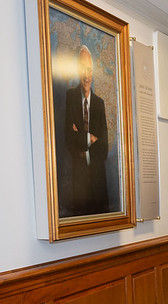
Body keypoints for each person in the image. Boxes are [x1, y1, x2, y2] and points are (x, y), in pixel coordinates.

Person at [64, 45, 109, 216]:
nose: (86, 75)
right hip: (78, 182)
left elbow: (103, 146)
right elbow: (68, 139)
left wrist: (80, 137)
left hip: (98, 181)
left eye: (89, 69)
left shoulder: (99, 103)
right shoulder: (70, 98)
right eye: (82, 69)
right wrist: (90, 138)